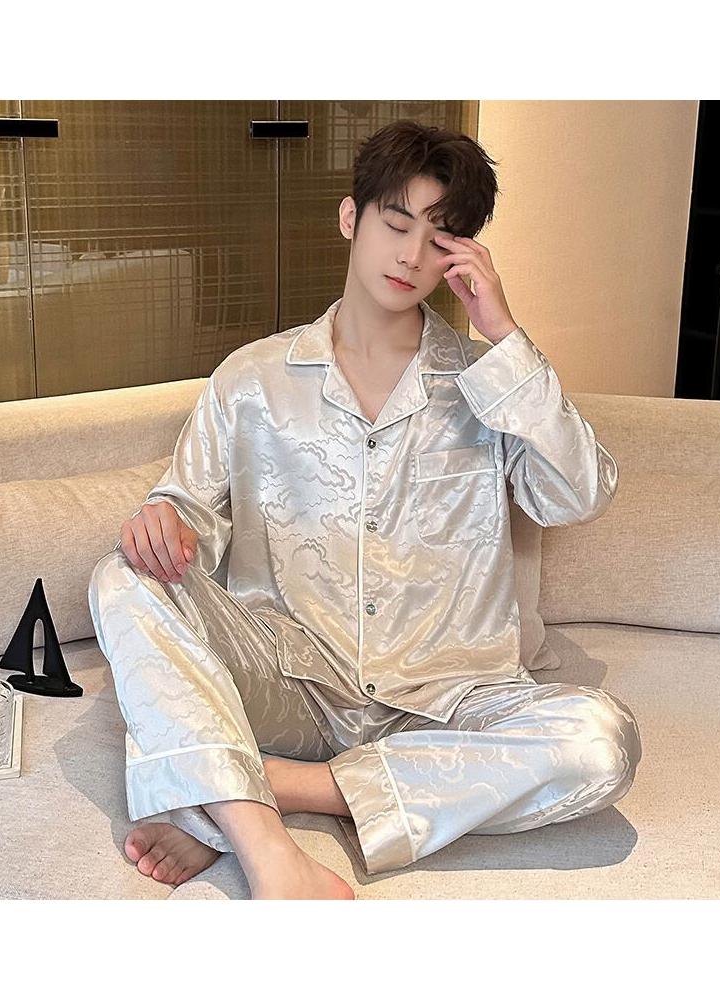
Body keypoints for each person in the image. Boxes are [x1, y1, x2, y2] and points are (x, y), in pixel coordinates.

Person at [88, 120, 642, 900]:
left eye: (439, 237)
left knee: (600, 743)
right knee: (121, 577)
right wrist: (164, 521)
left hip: (448, 696)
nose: (411, 256)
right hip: (293, 680)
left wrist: (504, 335)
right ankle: (266, 847)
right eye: (396, 223)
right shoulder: (251, 378)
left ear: (463, 255)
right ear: (352, 218)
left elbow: (578, 495)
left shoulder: (490, 383)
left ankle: (254, 788)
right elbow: (188, 517)